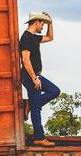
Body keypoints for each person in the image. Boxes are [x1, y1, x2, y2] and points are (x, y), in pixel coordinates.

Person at [20, 11, 61, 147]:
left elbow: (50, 37)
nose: (42, 26)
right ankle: (39, 137)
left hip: (36, 76)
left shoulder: (33, 37)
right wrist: (34, 78)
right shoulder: (26, 37)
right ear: (36, 22)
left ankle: (30, 104)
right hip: (30, 76)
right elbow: (25, 60)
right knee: (37, 108)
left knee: (54, 91)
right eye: (42, 23)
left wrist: (50, 23)